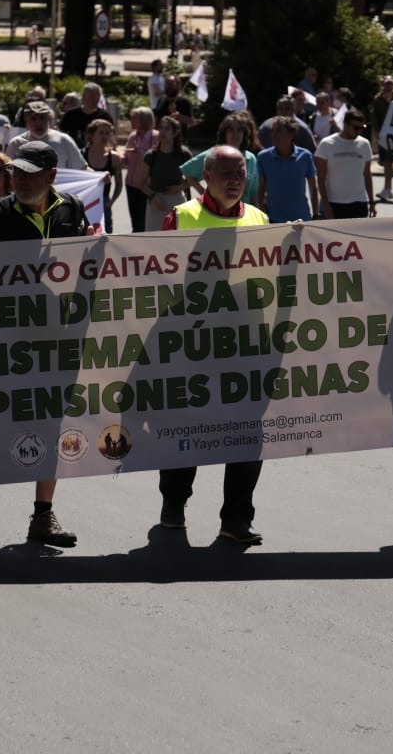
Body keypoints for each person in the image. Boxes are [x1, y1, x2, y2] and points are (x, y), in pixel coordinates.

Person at [0, 143, 92, 547]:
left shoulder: (71, 209)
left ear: (51, 176)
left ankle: (43, 515)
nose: (19, 180)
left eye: (29, 174)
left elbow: (86, 266)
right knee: (1, 418)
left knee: (54, 422)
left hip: (59, 338)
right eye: (15, 173)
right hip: (5, 338)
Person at [158, 146, 272, 544]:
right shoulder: (183, 217)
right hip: (193, 345)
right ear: (206, 175)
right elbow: (156, 277)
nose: (234, 179)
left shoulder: (260, 220)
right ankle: (174, 503)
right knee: (186, 427)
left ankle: (237, 518)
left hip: (246, 345)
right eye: (225, 172)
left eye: (240, 171)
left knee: (246, 431)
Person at [182, 111, 260, 205]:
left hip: (244, 215)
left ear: (244, 134)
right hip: (218, 213)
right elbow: (186, 171)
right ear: (225, 133)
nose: (235, 134)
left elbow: (254, 193)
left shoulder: (251, 158)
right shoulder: (215, 155)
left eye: (239, 130)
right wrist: (203, 193)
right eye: (231, 130)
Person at [257, 115, 319, 223]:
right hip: (274, 221)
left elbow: (313, 188)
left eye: (279, 131)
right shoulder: (263, 157)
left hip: (302, 220)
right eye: (273, 131)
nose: (274, 135)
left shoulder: (305, 156)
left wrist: (316, 214)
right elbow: (260, 192)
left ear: (291, 134)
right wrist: (264, 218)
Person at [316, 110, 375, 219]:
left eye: (362, 128)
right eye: (356, 128)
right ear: (345, 124)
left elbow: (367, 175)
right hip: (334, 203)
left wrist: (371, 202)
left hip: (359, 202)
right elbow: (321, 178)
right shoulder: (326, 144)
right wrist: (325, 205)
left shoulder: (364, 144)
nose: (359, 131)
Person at [141, 116, 193, 232]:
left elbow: (194, 179)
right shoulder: (151, 155)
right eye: (161, 128)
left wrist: (180, 187)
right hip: (155, 202)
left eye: (167, 129)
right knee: (153, 241)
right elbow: (140, 183)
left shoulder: (184, 154)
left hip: (177, 201)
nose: (163, 132)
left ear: (175, 133)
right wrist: (153, 196)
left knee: (176, 240)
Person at [6, 100, 86, 169]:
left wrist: (97, 177)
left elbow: (82, 169)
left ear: (49, 118)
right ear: (26, 121)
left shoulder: (64, 141)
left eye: (42, 118)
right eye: (33, 119)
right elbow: (7, 174)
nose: (38, 123)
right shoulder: (15, 144)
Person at [84, 118, 124, 233]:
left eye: (107, 133)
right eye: (101, 133)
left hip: (104, 202)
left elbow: (119, 184)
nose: (105, 136)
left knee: (105, 235)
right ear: (92, 135)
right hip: (85, 201)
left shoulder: (114, 158)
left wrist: (111, 202)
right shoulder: (82, 154)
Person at [123, 106, 158, 232]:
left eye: (135, 118)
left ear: (144, 119)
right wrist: (122, 158)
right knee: (135, 220)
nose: (131, 120)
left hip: (145, 184)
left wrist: (140, 152)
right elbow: (126, 160)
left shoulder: (155, 136)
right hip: (131, 183)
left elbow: (155, 159)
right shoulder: (133, 136)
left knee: (144, 219)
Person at [59, 82, 114, 151]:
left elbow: (110, 138)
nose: (94, 101)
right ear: (83, 97)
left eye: (96, 98)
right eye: (91, 98)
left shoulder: (105, 117)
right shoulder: (70, 115)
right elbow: (62, 136)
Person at [371, 76, 393, 201]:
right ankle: (388, 188)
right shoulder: (377, 99)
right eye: (386, 83)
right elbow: (375, 117)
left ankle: (387, 188)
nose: (388, 86)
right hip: (384, 134)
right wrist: (376, 131)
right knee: (385, 162)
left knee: (388, 162)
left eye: (390, 83)